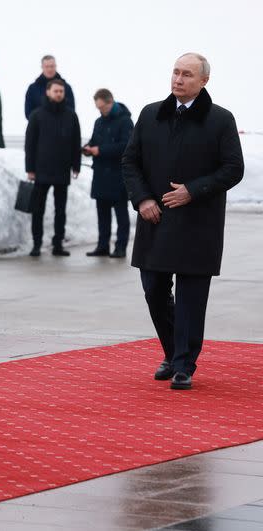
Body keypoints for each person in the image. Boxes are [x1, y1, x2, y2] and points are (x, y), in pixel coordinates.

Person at [122, 53, 244, 390]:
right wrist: (143, 199)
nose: (178, 79)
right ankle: (172, 350)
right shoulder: (150, 115)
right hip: (155, 219)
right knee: (154, 290)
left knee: (191, 297)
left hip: (197, 222)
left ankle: (183, 364)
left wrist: (193, 190)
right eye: (176, 72)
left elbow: (234, 168)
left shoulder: (220, 119)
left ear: (204, 81)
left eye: (187, 74)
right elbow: (130, 162)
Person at [25, 78, 81, 256]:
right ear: (48, 92)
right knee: (38, 209)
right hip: (41, 170)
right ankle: (36, 244)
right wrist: (30, 169)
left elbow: (75, 142)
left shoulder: (71, 115)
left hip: (62, 169)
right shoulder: (37, 115)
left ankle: (58, 244)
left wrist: (76, 165)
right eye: (56, 91)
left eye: (61, 91)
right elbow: (30, 144)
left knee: (60, 210)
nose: (59, 94)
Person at [83, 88, 133, 258]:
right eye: (98, 108)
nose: (101, 111)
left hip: (118, 175)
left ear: (111, 102)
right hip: (100, 175)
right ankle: (102, 246)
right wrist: (88, 148)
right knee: (102, 214)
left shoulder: (125, 121)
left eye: (103, 107)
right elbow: (94, 141)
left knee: (121, 214)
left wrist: (100, 150)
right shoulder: (99, 122)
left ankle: (120, 247)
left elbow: (126, 146)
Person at [24, 55, 75, 119]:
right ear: (42, 67)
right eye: (47, 67)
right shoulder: (32, 89)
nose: (49, 69)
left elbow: (71, 111)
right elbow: (28, 113)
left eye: (52, 66)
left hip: (62, 126)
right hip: (40, 126)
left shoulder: (66, 87)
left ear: (56, 66)